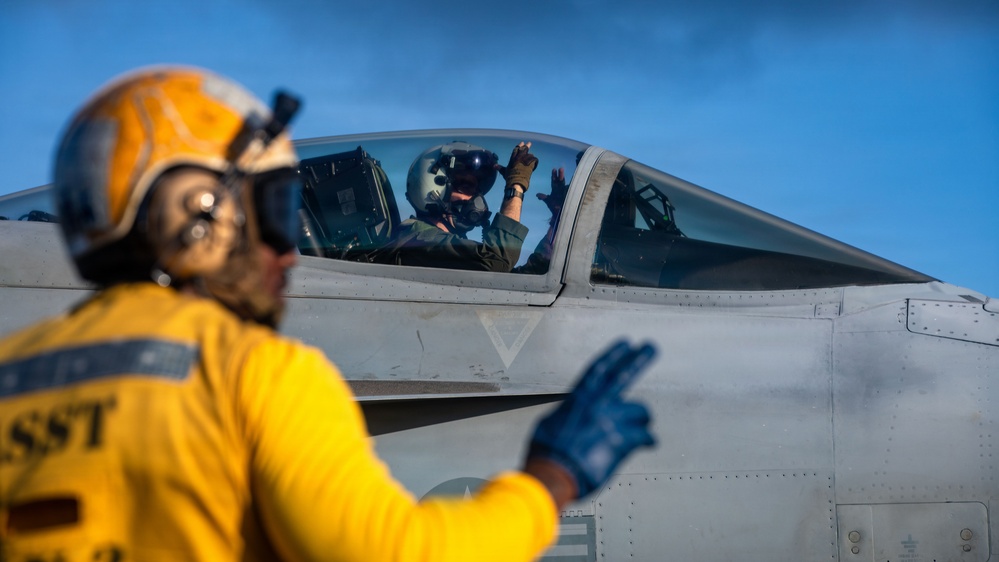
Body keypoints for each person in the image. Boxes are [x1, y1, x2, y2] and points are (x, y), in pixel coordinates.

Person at [0, 66, 657, 561]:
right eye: (278, 213)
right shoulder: (251, 374)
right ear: (195, 216)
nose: (291, 256)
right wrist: (550, 477)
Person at [379, 140, 537, 272]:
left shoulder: (444, 248)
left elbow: (510, 281)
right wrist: (516, 186)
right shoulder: (418, 242)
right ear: (434, 188)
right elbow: (496, 261)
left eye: (476, 191)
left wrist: (556, 220)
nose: (475, 199)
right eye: (466, 187)